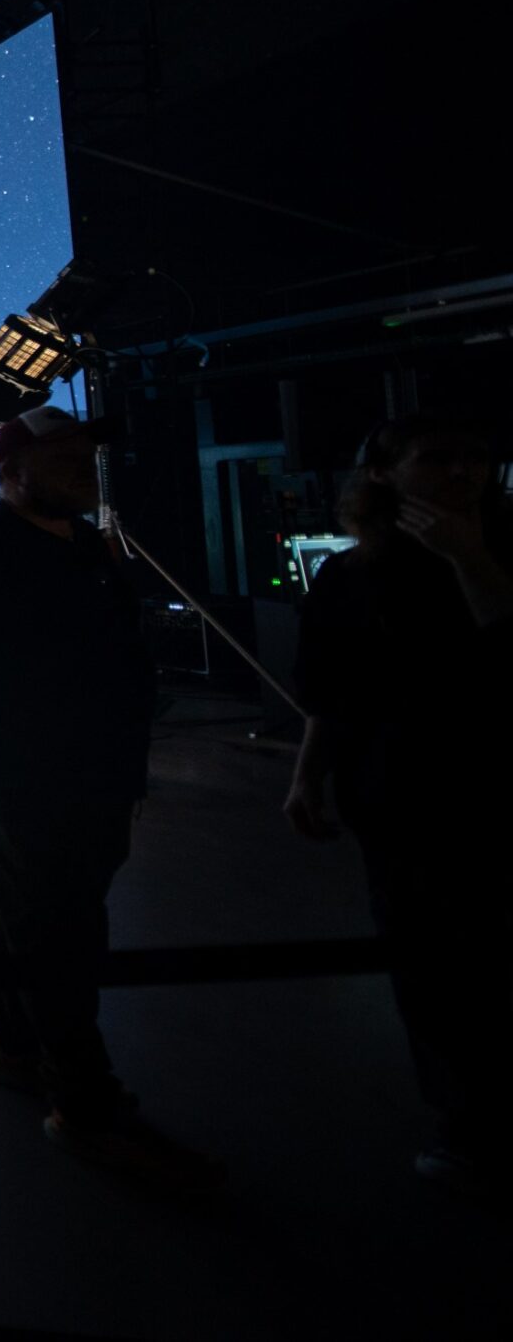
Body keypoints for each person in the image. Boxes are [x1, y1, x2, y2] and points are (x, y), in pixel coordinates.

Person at [0, 406, 221, 1190]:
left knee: (37, 902)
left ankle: (13, 1044)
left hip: (99, 762)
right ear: (11, 471)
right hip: (19, 763)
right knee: (61, 923)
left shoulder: (91, 548)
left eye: (86, 456)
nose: (83, 468)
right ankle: (85, 1106)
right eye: (63, 456)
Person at [286, 414, 513, 1201]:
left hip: (495, 791)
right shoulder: (348, 578)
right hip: (399, 799)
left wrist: (472, 558)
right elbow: (330, 689)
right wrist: (307, 774)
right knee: (427, 964)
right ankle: (465, 1122)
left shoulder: (499, 552)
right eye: (438, 456)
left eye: (474, 454)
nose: (462, 471)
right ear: (383, 473)